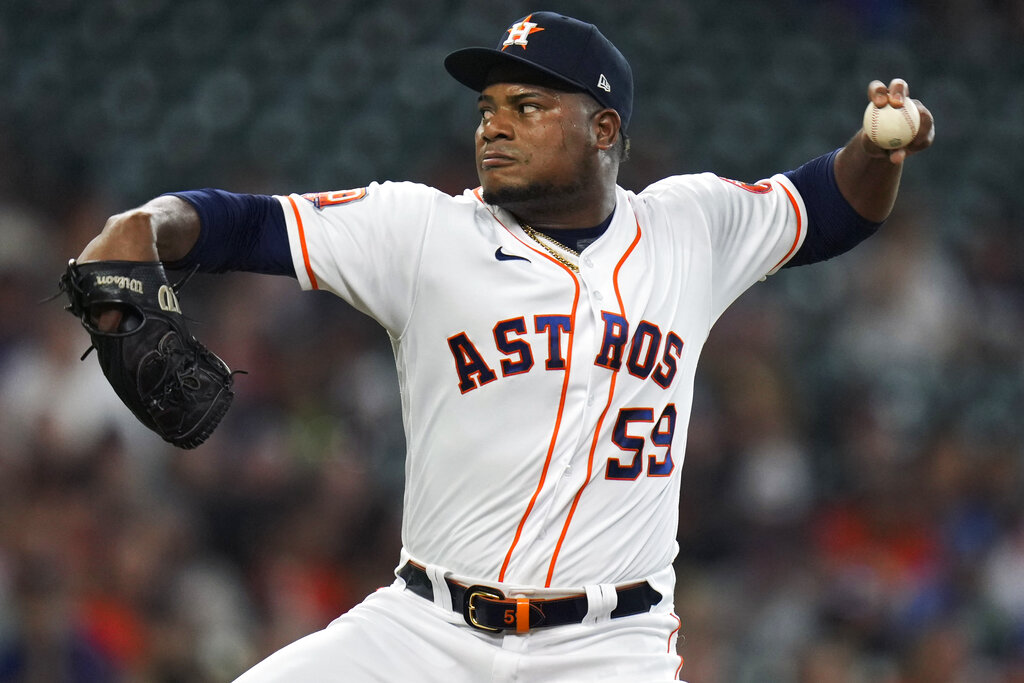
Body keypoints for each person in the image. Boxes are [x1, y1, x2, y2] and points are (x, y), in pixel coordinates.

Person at [73, 11, 934, 683]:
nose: (495, 127)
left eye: (528, 107)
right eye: (489, 108)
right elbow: (241, 222)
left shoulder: (690, 226)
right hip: (425, 629)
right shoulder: (421, 231)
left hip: (610, 647)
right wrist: (141, 224)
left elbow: (832, 207)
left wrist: (879, 145)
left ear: (603, 131)